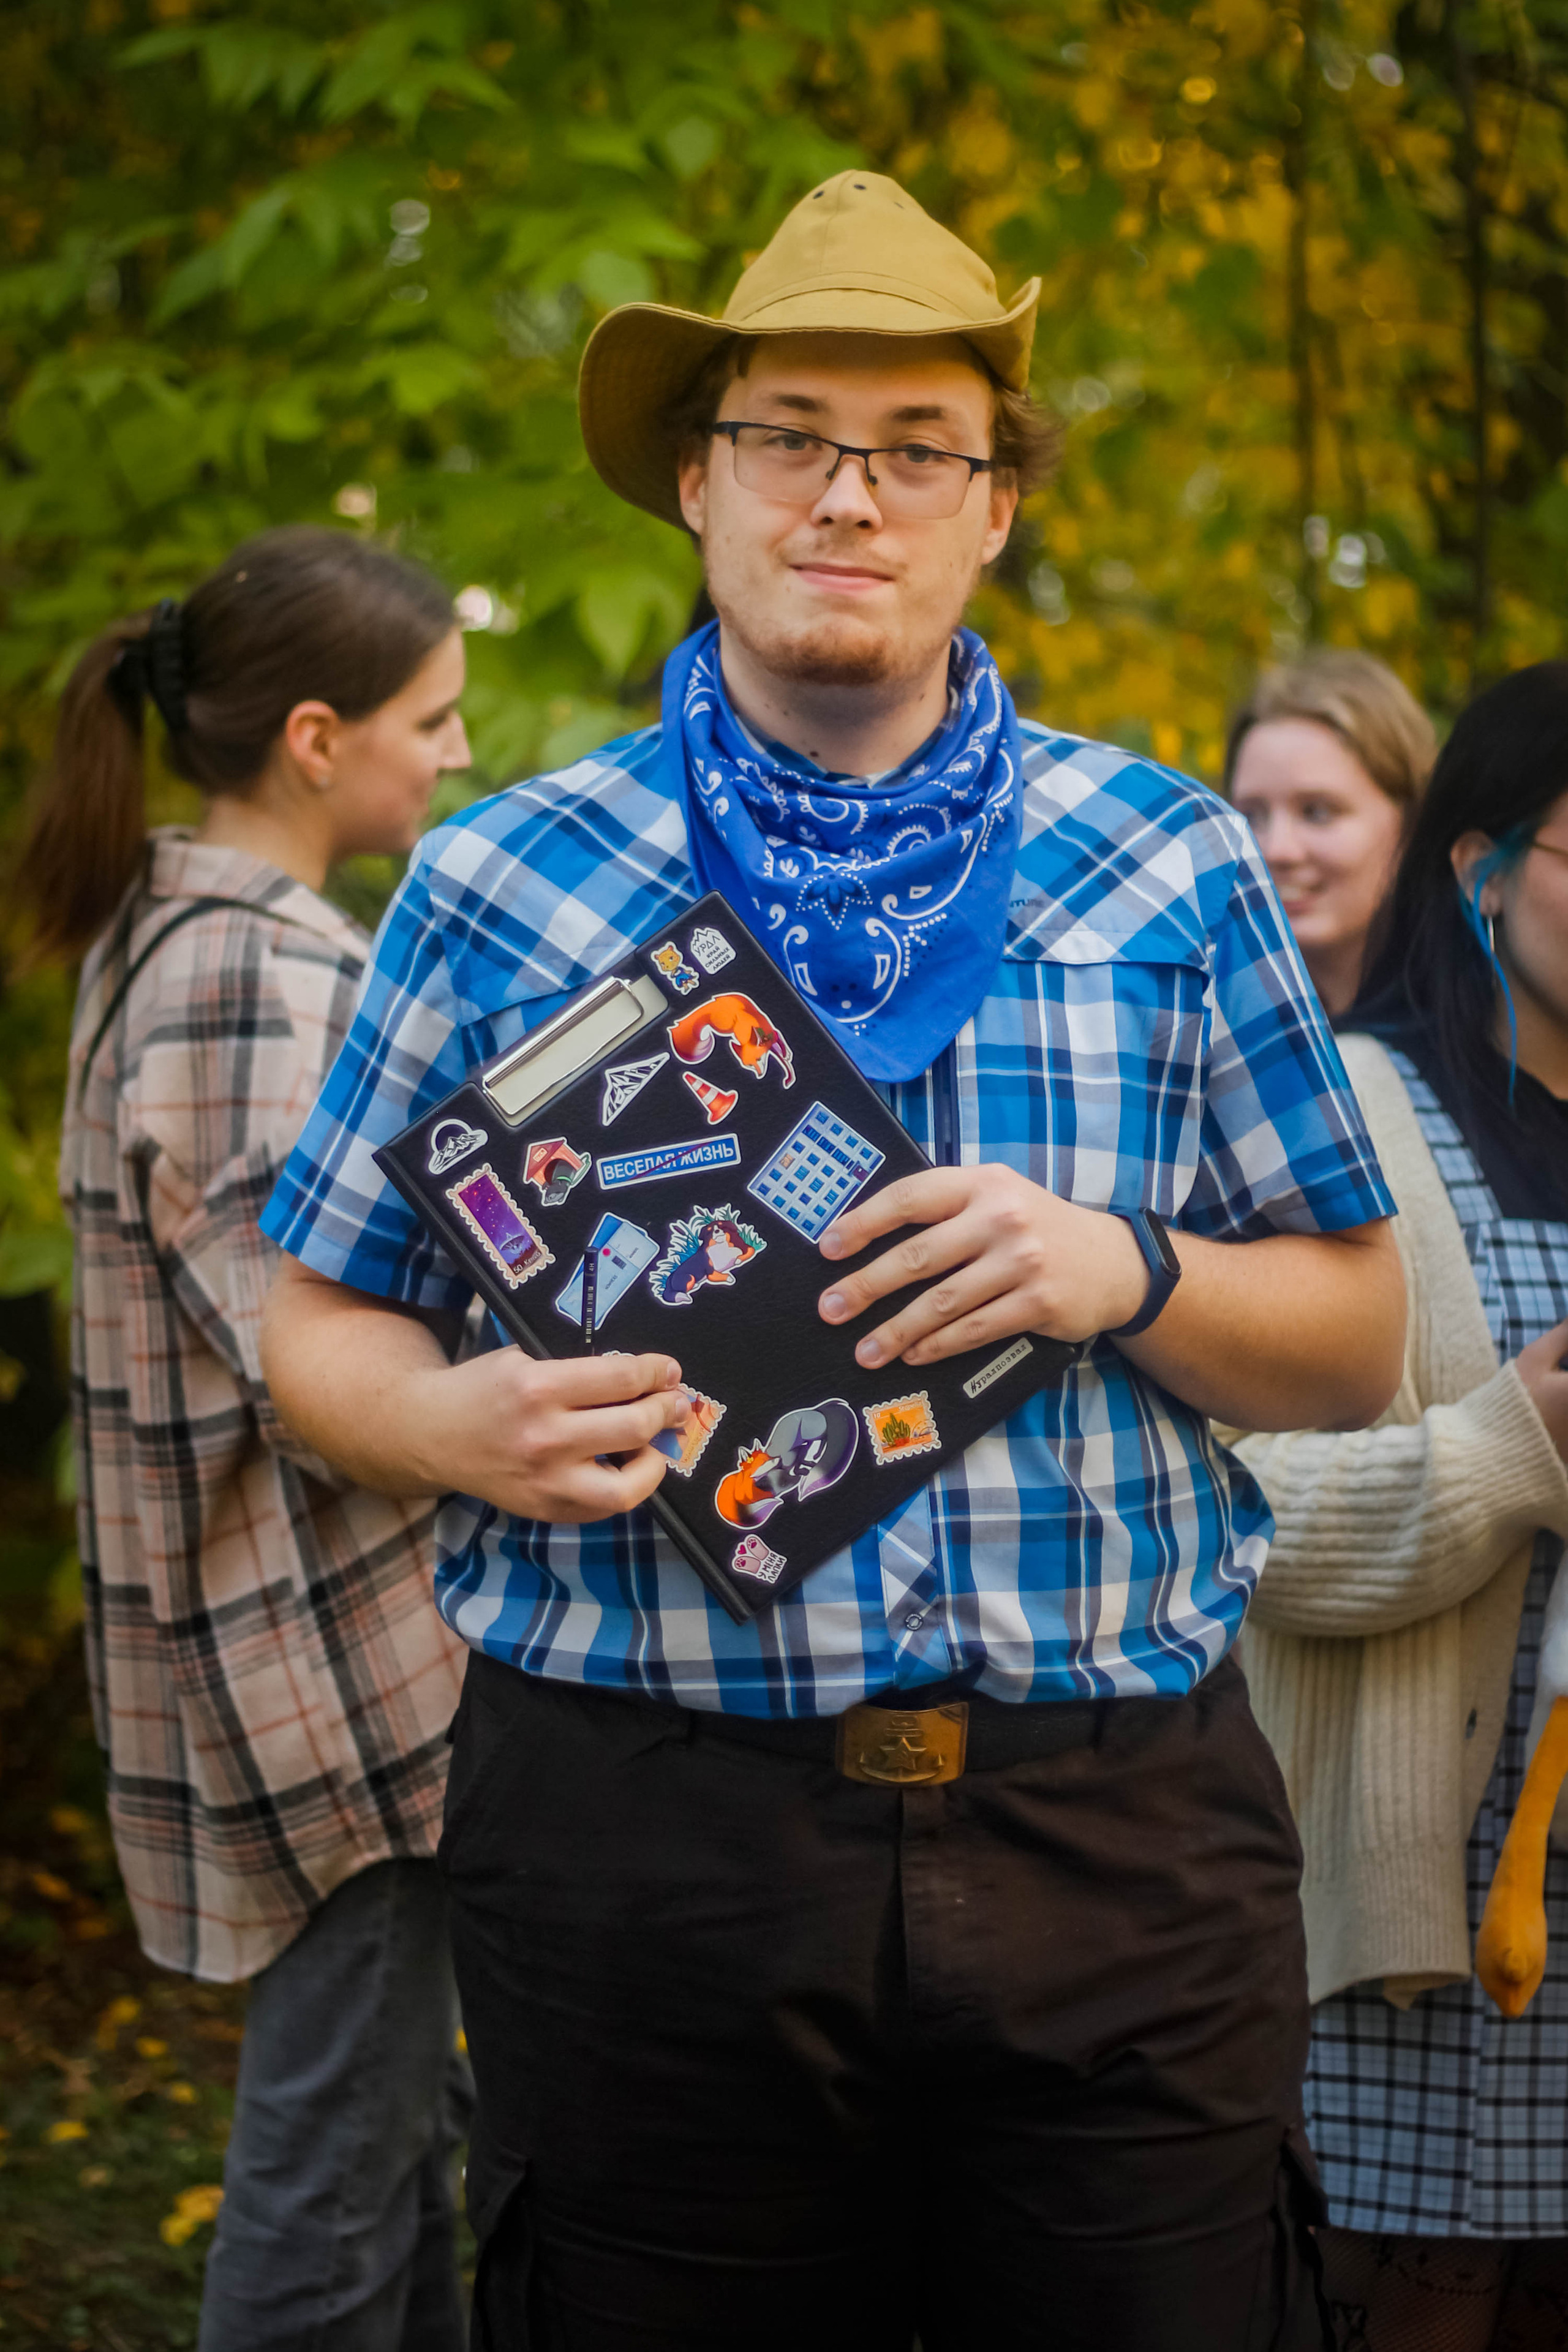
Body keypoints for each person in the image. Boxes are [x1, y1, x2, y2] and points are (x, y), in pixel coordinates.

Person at [258, 173, 1406, 2351]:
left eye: (916, 447)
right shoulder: (510, 880)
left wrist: (1124, 1272)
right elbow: (310, 1314)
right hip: (635, 1844)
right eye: (788, 434)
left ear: (992, 509)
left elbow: (1354, 1345)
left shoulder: (1160, 857)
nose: (846, 494)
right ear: (695, 486)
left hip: (1119, 1855)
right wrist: (447, 1419)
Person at [17, 526, 475, 2352]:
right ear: (311, 735)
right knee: (331, 2175)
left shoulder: (194, 931)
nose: (453, 749)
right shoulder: (243, 975)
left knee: (390, 2146)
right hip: (329, 1662)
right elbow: (318, 1348)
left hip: (321, 1648)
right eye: (428, 716)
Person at [1229, 662, 1568, 2348]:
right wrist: (1513, 1444)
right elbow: (1237, 1515)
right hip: (1412, 1912)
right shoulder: (1346, 1117)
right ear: (1483, 865)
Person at [1226, 650, 1436, 1014]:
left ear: (1411, 824)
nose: (1277, 850)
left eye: (1318, 813)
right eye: (1251, 816)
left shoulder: (1482, 1031)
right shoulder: (1205, 1023)